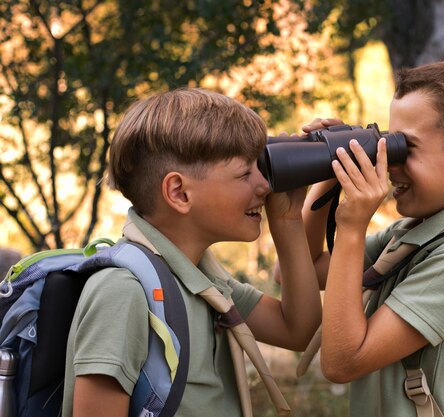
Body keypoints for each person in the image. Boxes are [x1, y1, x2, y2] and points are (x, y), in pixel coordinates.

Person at [62, 88, 322, 417]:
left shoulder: (203, 280)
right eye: (245, 173)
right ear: (179, 192)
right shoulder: (123, 292)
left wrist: (287, 219)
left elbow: (297, 329)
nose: (265, 186)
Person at [300, 58, 444, 417]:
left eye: (405, 147)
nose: (389, 163)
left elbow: (342, 362)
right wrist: (329, 168)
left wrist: (351, 227)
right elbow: (304, 270)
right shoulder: (416, 234)